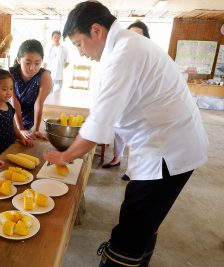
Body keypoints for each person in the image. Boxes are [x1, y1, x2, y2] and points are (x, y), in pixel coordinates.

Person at [43, 1, 208, 266]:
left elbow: (99, 122)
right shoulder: (128, 45)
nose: (80, 53)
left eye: (78, 44)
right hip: (169, 145)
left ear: (96, 30)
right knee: (146, 221)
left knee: (132, 228)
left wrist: (66, 157)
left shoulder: (124, 53)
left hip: (166, 153)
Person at [102, 20, 150, 182]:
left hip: (142, 107)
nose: (133, 38)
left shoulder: (148, 55)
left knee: (137, 138)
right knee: (120, 131)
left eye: (138, 35)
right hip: (125, 103)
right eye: (130, 34)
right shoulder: (120, 55)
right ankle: (117, 158)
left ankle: (133, 170)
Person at [0, 68, 33, 159]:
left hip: (11, 149)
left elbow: (14, 127)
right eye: (4, 89)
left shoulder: (9, 106)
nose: (9, 92)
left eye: (11, 88)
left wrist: (23, 138)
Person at [10, 39, 53, 140]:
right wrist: (20, 129)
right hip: (12, 119)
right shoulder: (11, 74)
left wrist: (36, 130)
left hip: (31, 120)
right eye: (27, 63)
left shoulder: (45, 76)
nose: (32, 68)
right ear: (18, 60)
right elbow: (14, 102)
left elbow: (39, 103)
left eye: (37, 63)